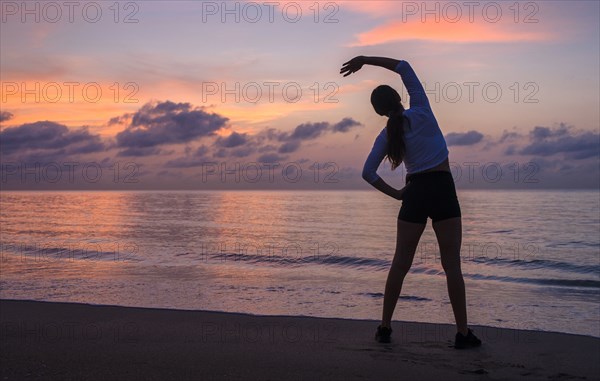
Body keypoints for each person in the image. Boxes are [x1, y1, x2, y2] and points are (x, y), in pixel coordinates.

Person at [340, 56, 482, 349]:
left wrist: (397, 195)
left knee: (400, 265)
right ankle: (462, 333)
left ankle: (385, 328)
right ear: (399, 98)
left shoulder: (387, 134)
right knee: (451, 266)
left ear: (379, 112)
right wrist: (365, 60)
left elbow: (367, 173)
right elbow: (403, 66)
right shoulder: (422, 111)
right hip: (442, 188)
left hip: (414, 193)